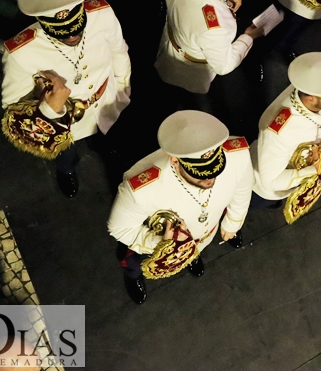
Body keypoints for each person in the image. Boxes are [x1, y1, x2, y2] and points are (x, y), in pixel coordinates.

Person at [0, 0, 131, 198]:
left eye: (76, 28)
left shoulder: (101, 13)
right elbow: (12, 110)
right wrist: (51, 110)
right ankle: (66, 171)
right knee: (68, 156)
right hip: (66, 125)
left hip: (107, 99)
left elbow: (119, 51)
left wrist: (122, 87)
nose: (71, 37)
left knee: (109, 139)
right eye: (62, 33)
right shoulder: (21, 52)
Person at [107, 110, 254, 304]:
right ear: (175, 161)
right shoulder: (140, 190)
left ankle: (192, 256)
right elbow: (118, 228)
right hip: (154, 247)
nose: (210, 178)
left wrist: (233, 221)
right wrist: (166, 245)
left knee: (198, 249)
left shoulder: (237, 153)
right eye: (200, 173)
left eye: (215, 170)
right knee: (133, 264)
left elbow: (243, 186)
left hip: (205, 236)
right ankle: (133, 277)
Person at [155, 0, 263, 99]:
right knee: (181, 93)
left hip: (172, 33)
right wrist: (248, 37)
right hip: (189, 66)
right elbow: (223, 66)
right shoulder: (214, 28)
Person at [251, 52, 321, 209]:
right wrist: (314, 170)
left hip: (294, 169)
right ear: (311, 97)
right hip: (263, 187)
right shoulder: (280, 132)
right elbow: (269, 182)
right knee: (261, 202)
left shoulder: (313, 89)